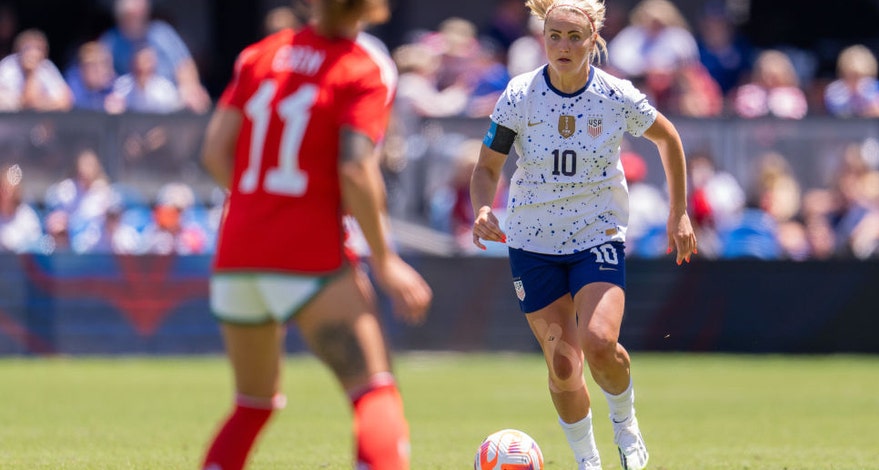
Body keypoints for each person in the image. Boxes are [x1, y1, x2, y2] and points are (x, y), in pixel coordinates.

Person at [199, 0, 432, 468]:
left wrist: (260, 205)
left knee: (252, 404)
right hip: (307, 254)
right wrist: (385, 260)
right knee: (374, 392)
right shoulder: (362, 68)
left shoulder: (259, 56)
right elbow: (355, 168)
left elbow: (213, 151)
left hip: (237, 252)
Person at [470, 1, 697, 469]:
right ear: (543, 38)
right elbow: (487, 166)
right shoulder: (519, 95)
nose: (564, 46)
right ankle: (588, 462)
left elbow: (669, 138)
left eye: (575, 36)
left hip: (597, 234)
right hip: (532, 242)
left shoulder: (616, 96)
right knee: (563, 365)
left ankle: (625, 427)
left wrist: (679, 214)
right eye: (555, 35)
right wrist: (482, 207)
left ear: (594, 40)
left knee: (598, 343)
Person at [99, 0, 211, 113]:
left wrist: (190, 90)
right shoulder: (110, 41)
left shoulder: (162, 33)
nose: (136, 18)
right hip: (127, 109)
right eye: (131, 16)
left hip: (168, 106)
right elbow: (101, 78)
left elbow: (184, 66)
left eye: (140, 14)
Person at [0, 29, 73, 112]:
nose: (33, 53)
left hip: (37, 120)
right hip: (10, 121)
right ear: (18, 50)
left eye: (38, 49)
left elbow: (66, 100)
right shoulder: (8, 67)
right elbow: (28, 103)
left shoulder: (46, 66)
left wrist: (41, 104)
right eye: (28, 48)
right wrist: (31, 74)